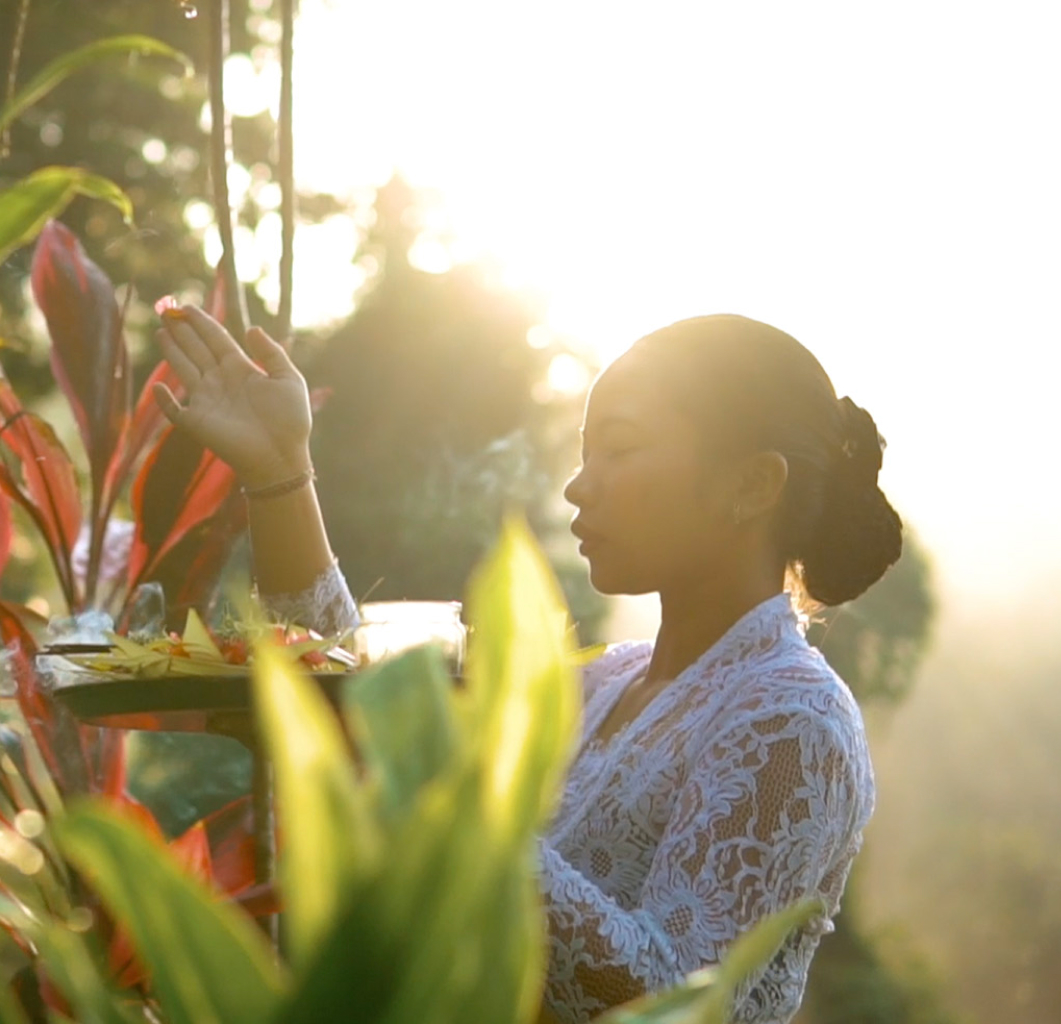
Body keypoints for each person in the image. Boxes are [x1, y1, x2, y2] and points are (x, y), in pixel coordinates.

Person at [153, 307, 892, 1023]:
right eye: (584, 450)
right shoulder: (599, 685)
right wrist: (282, 472)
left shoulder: (793, 721)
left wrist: (457, 804)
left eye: (621, 447)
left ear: (753, 484)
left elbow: (677, 996)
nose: (579, 484)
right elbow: (362, 688)